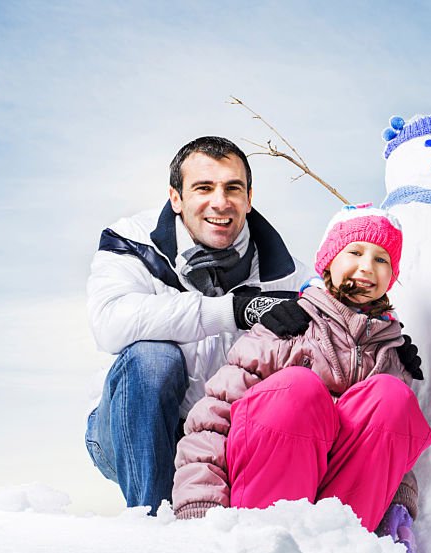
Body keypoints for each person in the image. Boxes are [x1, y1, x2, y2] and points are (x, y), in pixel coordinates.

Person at [172, 205, 431, 553]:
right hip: (264, 502)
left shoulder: (392, 355)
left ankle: (343, 551)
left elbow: (395, 456)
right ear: (327, 262)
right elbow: (212, 420)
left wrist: (399, 509)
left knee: (392, 398)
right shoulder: (287, 326)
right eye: (354, 252)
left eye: (381, 259)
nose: (366, 267)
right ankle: (269, 543)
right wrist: (199, 505)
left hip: (346, 514)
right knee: (298, 388)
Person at [85, 136, 317, 514]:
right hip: (129, 430)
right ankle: (150, 521)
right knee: (153, 357)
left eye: (232, 188)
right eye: (203, 188)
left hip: (220, 440)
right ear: (176, 197)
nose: (220, 202)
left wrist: (386, 334)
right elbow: (110, 322)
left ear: (249, 197)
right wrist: (233, 310)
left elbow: (339, 312)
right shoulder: (132, 241)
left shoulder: (286, 274)